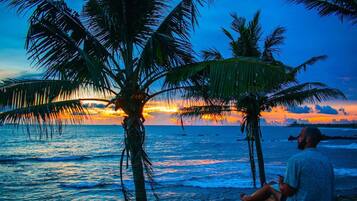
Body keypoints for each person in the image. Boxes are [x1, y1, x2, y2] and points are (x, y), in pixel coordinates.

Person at [241, 127, 335, 201]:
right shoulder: (326, 160)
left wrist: (281, 182)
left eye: (300, 136)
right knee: (272, 184)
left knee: (268, 187)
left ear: (308, 139)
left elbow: (288, 191)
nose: (297, 138)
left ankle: (248, 199)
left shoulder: (296, 160)